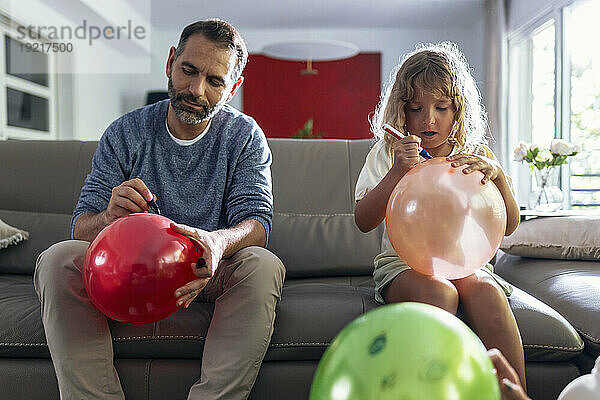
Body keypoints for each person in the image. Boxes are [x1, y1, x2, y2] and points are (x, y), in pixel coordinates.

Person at [33, 19, 285, 400]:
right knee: (57, 259)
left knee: (263, 265)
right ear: (171, 62)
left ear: (232, 88)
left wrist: (215, 244)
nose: (195, 89)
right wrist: (108, 218)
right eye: (188, 70)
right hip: (131, 272)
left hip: (205, 272)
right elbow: (81, 228)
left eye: (215, 81)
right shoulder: (124, 132)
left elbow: (257, 223)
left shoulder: (245, 137)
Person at [354, 42, 526, 388]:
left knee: (486, 291)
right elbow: (363, 220)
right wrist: (398, 172)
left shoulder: (475, 155)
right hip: (403, 264)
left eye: (441, 107)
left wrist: (498, 177)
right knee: (440, 293)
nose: (429, 119)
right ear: (401, 112)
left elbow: (508, 226)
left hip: (468, 263)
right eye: (416, 108)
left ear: (458, 110)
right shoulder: (389, 152)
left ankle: (517, 393)